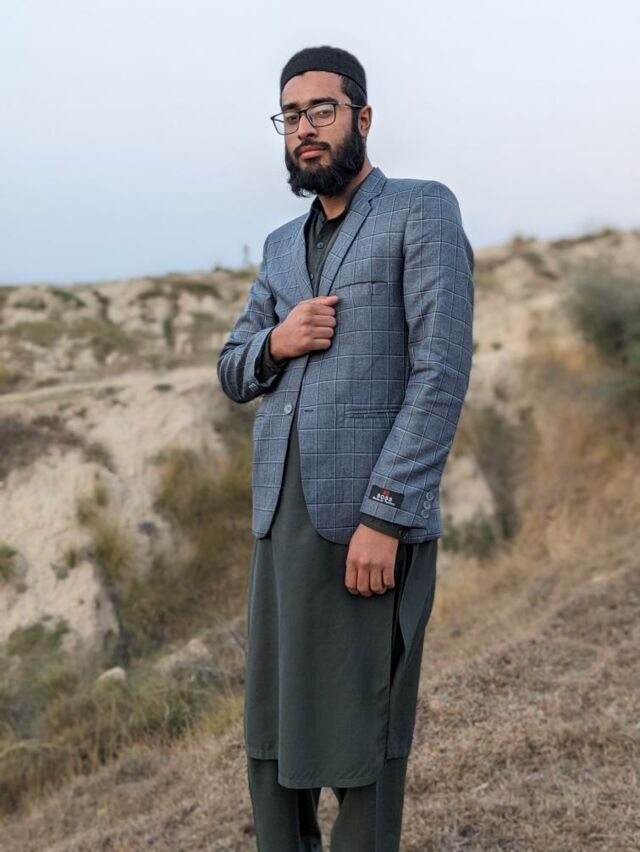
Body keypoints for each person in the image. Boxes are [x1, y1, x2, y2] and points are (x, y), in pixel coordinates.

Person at [217, 44, 474, 852]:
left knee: (363, 743)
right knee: (273, 739)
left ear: (362, 117)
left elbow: (440, 373)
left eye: (321, 111)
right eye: (291, 116)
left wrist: (387, 516)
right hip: (280, 531)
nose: (305, 129)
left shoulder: (420, 210)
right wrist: (279, 341)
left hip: (365, 530)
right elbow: (232, 367)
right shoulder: (278, 247)